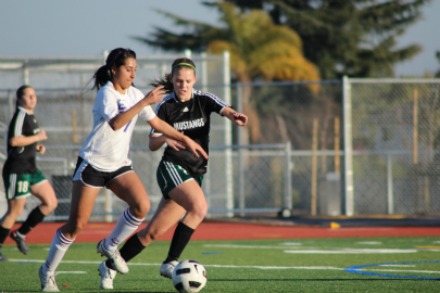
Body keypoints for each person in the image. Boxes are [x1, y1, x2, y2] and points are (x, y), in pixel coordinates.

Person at [38, 48, 208, 292]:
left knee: (142, 206)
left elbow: (157, 123)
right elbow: (117, 123)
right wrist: (144, 102)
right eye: (128, 69)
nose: (132, 74)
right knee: (76, 225)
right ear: (114, 70)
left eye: (135, 69)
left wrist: (185, 139)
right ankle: (47, 272)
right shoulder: (106, 93)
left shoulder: (135, 93)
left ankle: (110, 244)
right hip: (93, 164)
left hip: (119, 165)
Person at [98, 57, 248, 290]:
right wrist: (166, 137)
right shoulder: (166, 105)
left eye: (187, 81)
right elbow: (152, 143)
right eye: (179, 81)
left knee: (152, 233)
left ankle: (108, 267)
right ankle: (171, 262)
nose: (183, 85)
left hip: (194, 172)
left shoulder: (203, 99)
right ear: (173, 80)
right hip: (171, 168)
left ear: (194, 80)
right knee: (199, 208)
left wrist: (234, 115)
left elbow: (224, 108)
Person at [0, 85, 58, 262]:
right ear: (19, 99)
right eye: (28, 96)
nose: (33, 98)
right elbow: (14, 140)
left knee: (50, 202)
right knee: (15, 211)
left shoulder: (31, 116)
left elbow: (24, 141)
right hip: (17, 169)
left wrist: (36, 146)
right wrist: (37, 138)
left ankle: (20, 233)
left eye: (34, 95)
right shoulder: (20, 115)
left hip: (31, 168)